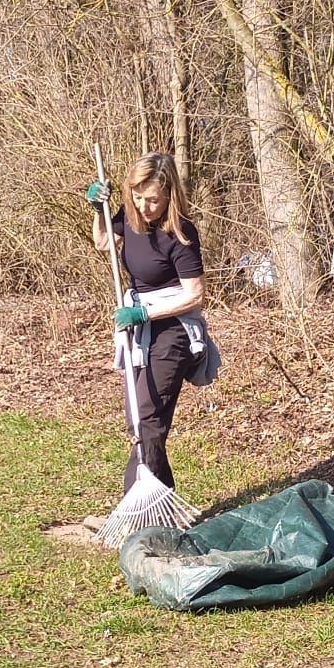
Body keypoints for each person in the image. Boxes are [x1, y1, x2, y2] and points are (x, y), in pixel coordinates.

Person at [86, 152, 206, 495]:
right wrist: (99, 211)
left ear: (169, 195)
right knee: (138, 418)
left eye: (152, 199)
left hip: (174, 328)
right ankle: (163, 504)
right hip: (140, 329)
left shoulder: (181, 232)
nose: (144, 206)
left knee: (147, 416)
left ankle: (136, 505)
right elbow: (104, 243)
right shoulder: (131, 217)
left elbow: (195, 296)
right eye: (137, 197)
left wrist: (144, 314)